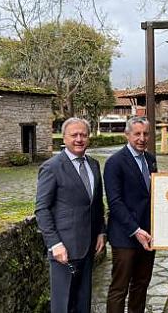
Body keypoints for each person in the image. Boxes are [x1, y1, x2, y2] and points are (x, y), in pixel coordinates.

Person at [35, 117, 106, 313]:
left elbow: (96, 203)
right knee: (63, 305)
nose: (79, 139)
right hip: (63, 249)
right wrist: (54, 244)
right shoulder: (52, 167)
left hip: (89, 246)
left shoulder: (93, 165)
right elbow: (42, 209)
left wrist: (101, 231)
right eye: (74, 135)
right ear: (64, 138)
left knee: (83, 303)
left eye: (83, 135)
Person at [104, 117, 157, 313]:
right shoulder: (114, 163)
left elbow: (151, 195)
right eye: (137, 134)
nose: (142, 138)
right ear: (127, 135)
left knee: (141, 285)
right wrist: (135, 230)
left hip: (148, 235)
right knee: (120, 288)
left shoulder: (151, 160)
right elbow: (115, 203)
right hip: (125, 236)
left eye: (145, 134)